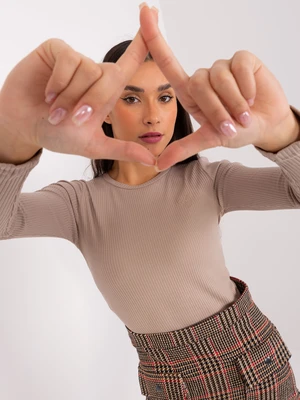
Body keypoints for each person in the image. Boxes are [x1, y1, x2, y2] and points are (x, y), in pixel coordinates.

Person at [0, 2, 300, 399]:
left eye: (165, 98)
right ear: (103, 112)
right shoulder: (78, 205)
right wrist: (11, 138)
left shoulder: (208, 179)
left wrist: (282, 132)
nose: (153, 116)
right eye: (131, 99)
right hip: (162, 377)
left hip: (245, 360)